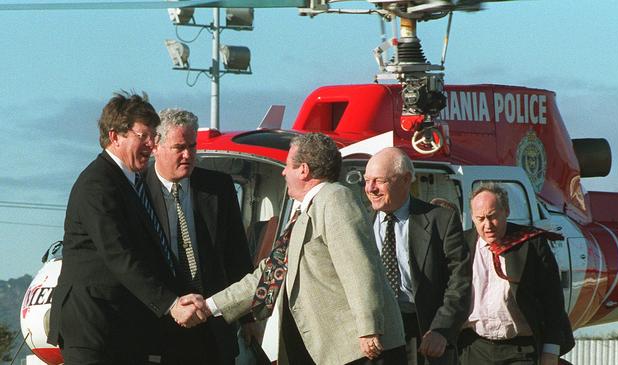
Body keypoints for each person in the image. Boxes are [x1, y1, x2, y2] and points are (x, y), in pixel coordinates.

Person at [189, 133, 406, 364]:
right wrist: (209, 306)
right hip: (329, 351)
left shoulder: (335, 198)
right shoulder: (306, 210)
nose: (283, 173)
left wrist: (368, 328)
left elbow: (358, 268)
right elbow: (268, 275)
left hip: (360, 350)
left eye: (287, 166)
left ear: (303, 170)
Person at [47, 92, 207, 365]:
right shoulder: (97, 185)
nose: (150, 144)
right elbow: (119, 254)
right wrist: (170, 304)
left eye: (154, 136)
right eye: (143, 136)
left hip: (123, 329)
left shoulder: (132, 182)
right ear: (115, 136)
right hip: (93, 328)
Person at [144, 108, 254, 364]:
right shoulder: (138, 191)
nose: (188, 155)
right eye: (179, 147)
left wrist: (249, 317)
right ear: (155, 147)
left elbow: (236, 254)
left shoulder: (218, 187)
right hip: (161, 327)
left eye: (192, 146)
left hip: (213, 323)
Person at [364, 147, 472, 365]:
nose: (370, 188)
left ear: (405, 179)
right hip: (378, 337)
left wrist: (442, 330)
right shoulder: (360, 222)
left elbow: (460, 280)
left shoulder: (440, 220)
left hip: (426, 333)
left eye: (379, 181)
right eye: (366, 180)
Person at [459, 182, 575, 365]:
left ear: (506, 211)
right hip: (474, 349)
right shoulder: (461, 246)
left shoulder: (531, 245)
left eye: (492, 216)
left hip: (520, 351)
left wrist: (551, 350)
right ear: (472, 218)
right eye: (480, 219)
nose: (487, 225)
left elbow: (552, 301)